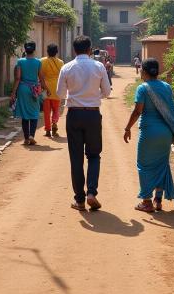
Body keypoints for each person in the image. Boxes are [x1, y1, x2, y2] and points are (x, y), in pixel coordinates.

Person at [57, 35, 111, 211]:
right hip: (93, 115)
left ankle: (79, 200)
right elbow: (107, 91)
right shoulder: (99, 66)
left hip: (74, 115)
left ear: (74, 50)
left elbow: (59, 94)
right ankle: (92, 193)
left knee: (76, 158)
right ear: (90, 49)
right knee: (94, 155)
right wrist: (93, 97)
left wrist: (75, 97)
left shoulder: (67, 67)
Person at [124, 58, 174, 213]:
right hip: (165, 134)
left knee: (144, 166)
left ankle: (146, 202)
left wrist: (127, 128)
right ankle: (158, 200)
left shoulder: (143, 89)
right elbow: (171, 109)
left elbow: (138, 111)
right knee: (161, 165)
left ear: (144, 71)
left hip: (148, 133)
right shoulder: (167, 87)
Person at [11, 41, 44, 145]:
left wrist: (13, 92)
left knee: (25, 114)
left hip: (22, 89)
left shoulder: (20, 61)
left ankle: (26, 138)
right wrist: (46, 89)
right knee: (34, 113)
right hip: (34, 89)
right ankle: (31, 135)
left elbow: (17, 78)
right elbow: (41, 78)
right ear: (34, 50)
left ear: (25, 50)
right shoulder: (38, 62)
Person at [40, 44, 64, 138]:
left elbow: (40, 75)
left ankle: (48, 130)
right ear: (56, 52)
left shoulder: (42, 61)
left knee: (46, 111)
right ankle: (54, 122)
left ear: (47, 51)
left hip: (46, 89)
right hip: (57, 88)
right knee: (56, 109)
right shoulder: (61, 62)